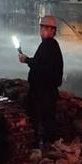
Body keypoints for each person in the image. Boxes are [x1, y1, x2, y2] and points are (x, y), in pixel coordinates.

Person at [19, 14, 63, 145]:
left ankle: (43, 144)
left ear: (52, 30)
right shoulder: (50, 45)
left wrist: (26, 60)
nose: (41, 31)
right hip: (45, 90)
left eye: (45, 28)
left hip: (44, 92)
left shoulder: (49, 45)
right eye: (41, 28)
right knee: (46, 118)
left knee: (41, 118)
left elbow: (39, 65)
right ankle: (48, 144)